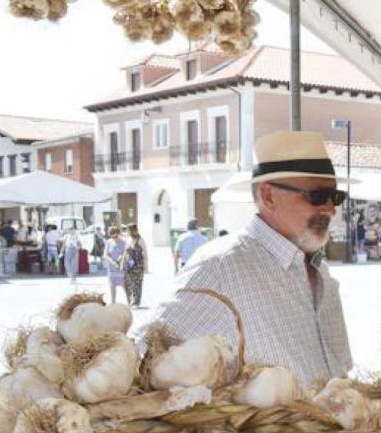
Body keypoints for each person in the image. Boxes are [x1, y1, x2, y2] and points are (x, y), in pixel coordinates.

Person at [138, 131, 353, 388]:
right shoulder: (220, 267)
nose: (331, 209)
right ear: (268, 196)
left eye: (336, 196)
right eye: (318, 196)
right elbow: (140, 354)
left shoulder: (323, 275)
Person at [124, 224, 148, 308]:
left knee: (137, 284)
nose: (127, 232)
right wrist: (121, 264)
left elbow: (144, 254)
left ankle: (136, 302)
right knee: (128, 284)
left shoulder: (140, 240)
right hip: (128, 266)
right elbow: (125, 253)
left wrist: (146, 267)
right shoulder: (127, 239)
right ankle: (130, 301)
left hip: (138, 266)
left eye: (128, 230)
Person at [103, 226, 128, 304]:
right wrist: (113, 263)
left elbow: (125, 254)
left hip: (121, 267)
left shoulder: (124, 243)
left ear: (119, 234)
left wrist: (121, 262)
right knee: (112, 285)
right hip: (111, 267)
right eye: (112, 236)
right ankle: (113, 302)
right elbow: (105, 255)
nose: (114, 238)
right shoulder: (109, 242)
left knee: (124, 285)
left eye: (116, 236)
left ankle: (130, 301)